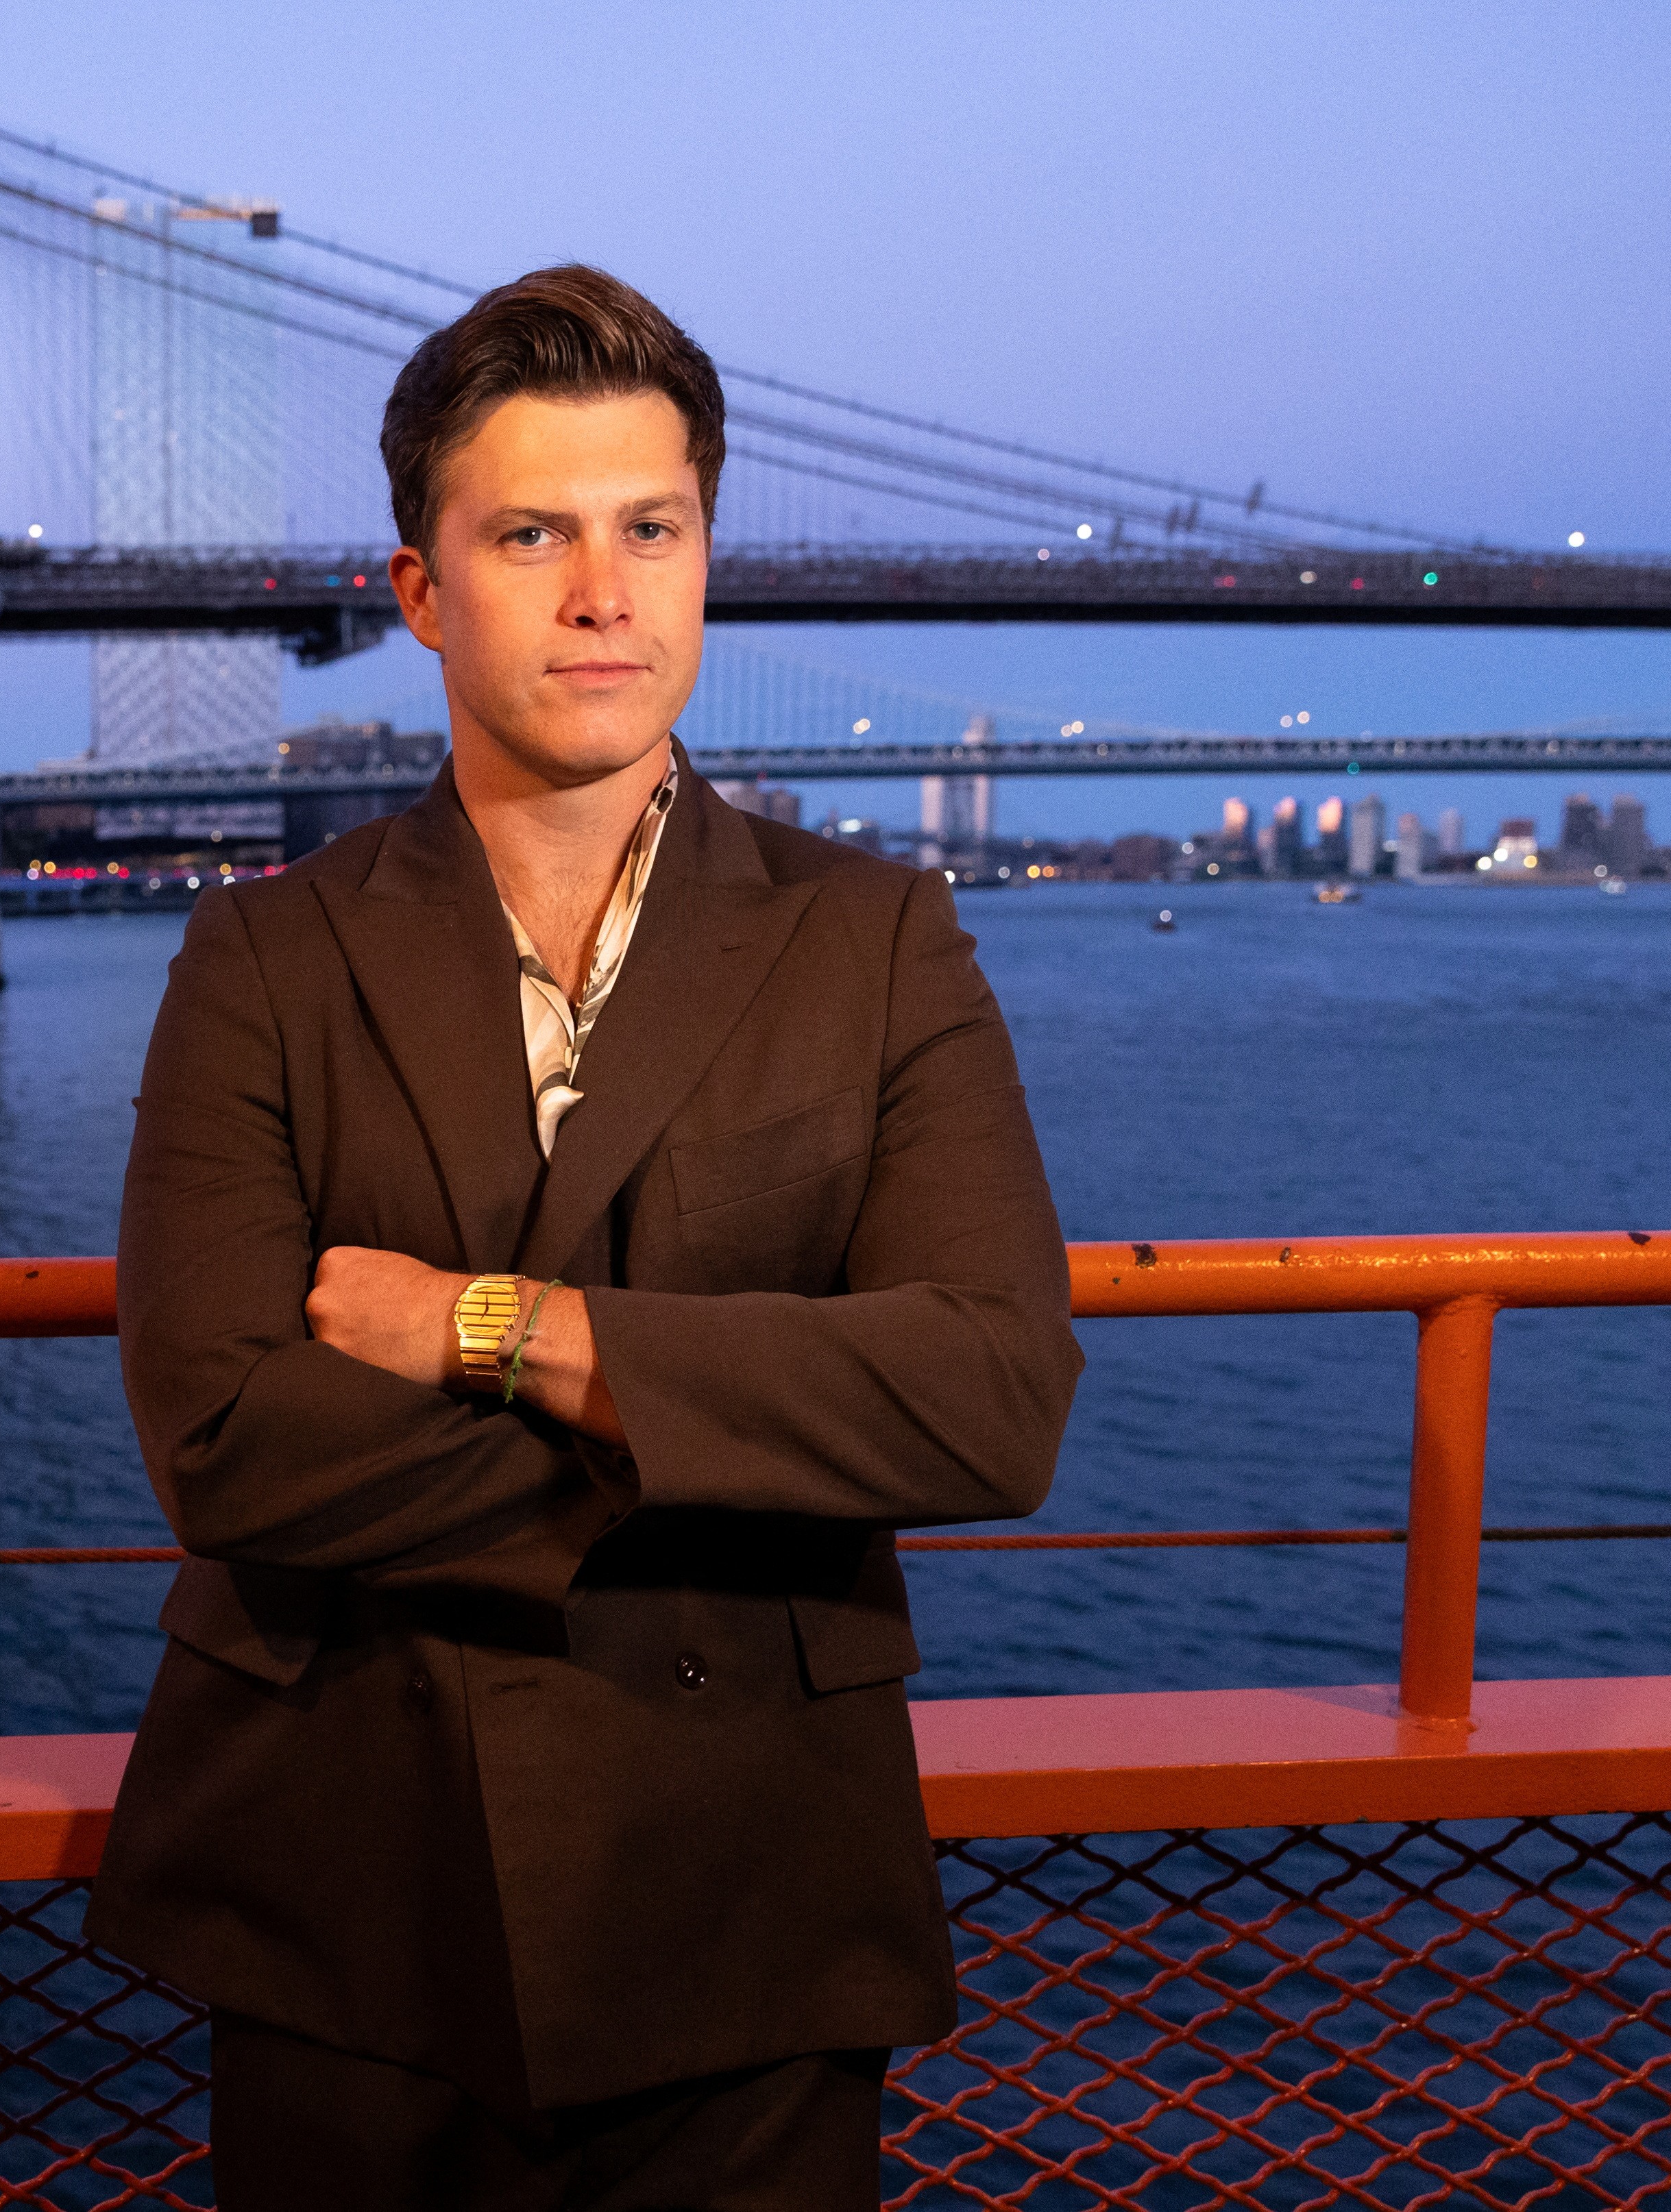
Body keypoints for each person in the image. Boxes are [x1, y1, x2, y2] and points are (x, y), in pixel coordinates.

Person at [83, 265, 1082, 2210]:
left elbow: (989, 1394)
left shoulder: (876, 940)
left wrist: (504, 1327)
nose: (601, 590)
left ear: (706, 557)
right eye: (529, 532)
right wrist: (728, 1430)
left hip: (743, 1903)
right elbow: (218, 1434)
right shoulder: (263, 957)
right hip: (345, 1889)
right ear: (417, 592)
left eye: (652, 527)